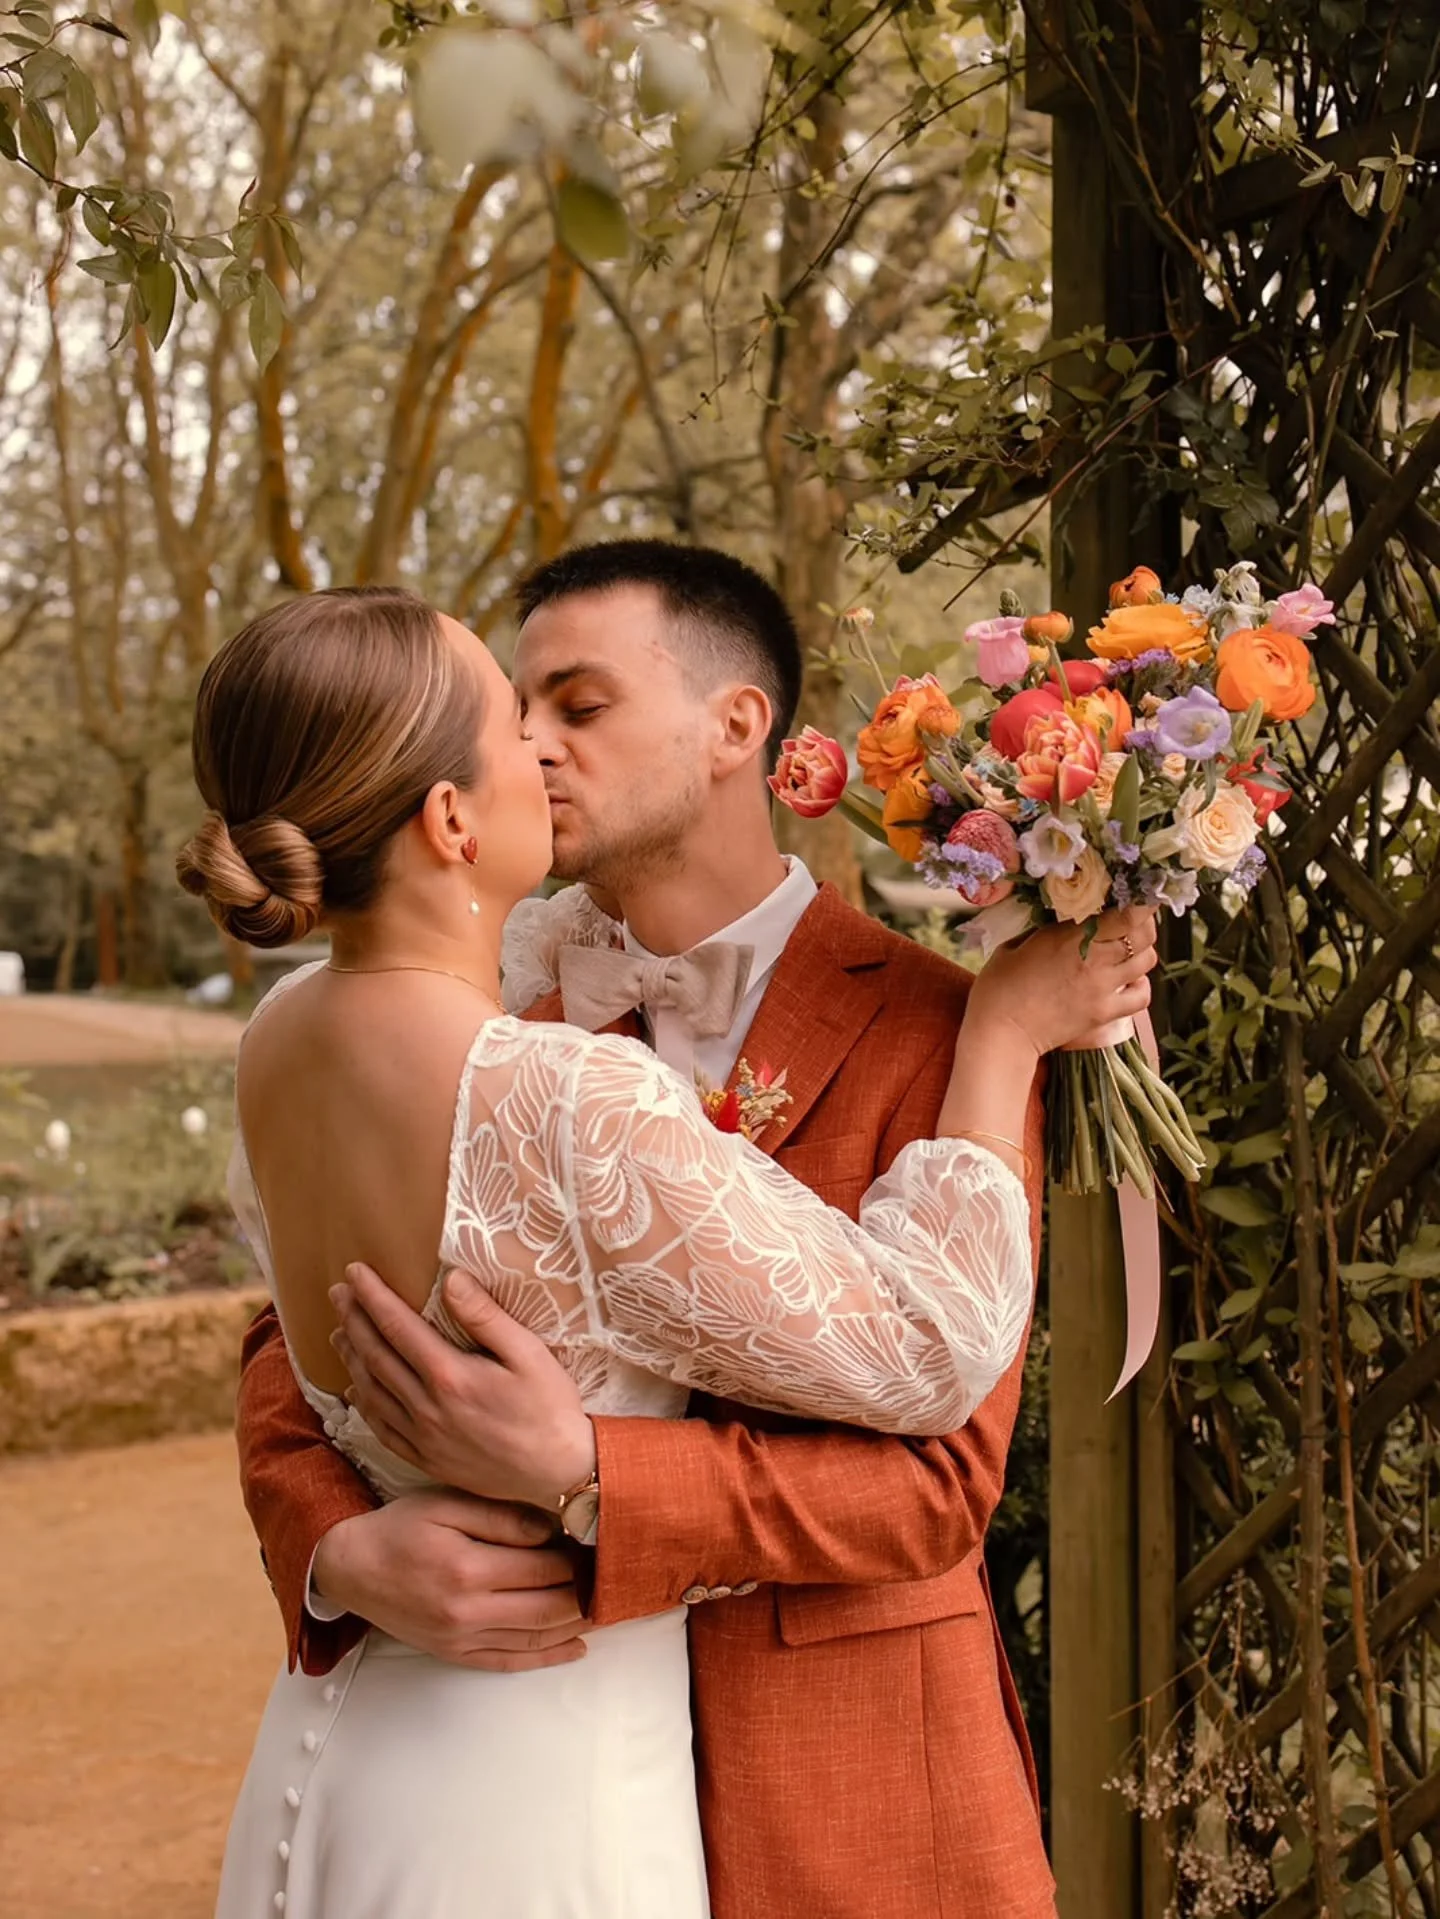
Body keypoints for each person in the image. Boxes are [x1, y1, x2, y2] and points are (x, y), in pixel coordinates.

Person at [230, 548, 1159, 1919]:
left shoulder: (949, 1027)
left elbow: (943, 1483)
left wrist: (591, 1475)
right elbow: (294, 1325)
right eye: (518, 711)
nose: (538, 744)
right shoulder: (489, 1003)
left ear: (736, 728)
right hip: (517, 1780)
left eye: (581, 704)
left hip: (844, 1802)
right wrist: (334, 1550)